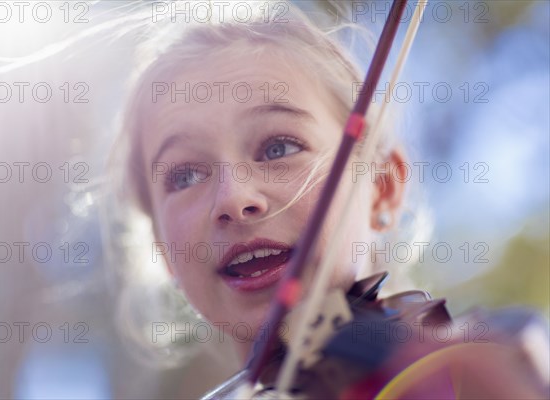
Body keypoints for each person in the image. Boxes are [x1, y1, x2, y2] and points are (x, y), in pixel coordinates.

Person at [110, 1, 548, 398]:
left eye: (278, 147)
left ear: (381, 187)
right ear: (164, 250)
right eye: (185, 175)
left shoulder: (461, 373)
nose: (234, 197)